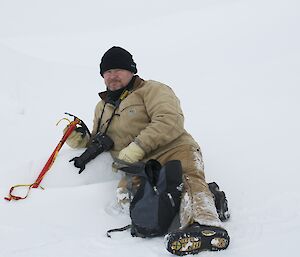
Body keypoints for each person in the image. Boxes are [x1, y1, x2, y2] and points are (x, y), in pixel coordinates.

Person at [65, 46, 230, 255]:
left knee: (188, 178)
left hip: (173, 149)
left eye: (117, 70)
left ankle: (205, 226)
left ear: (131, 71)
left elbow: (170, 120)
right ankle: (212, 199)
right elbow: (102, 139)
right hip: (138, 166)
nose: (112, 76)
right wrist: (81, 140)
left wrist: (138, 146)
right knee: (133, 202)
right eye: (107, 72)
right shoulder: (102, 106)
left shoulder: (152, 89)